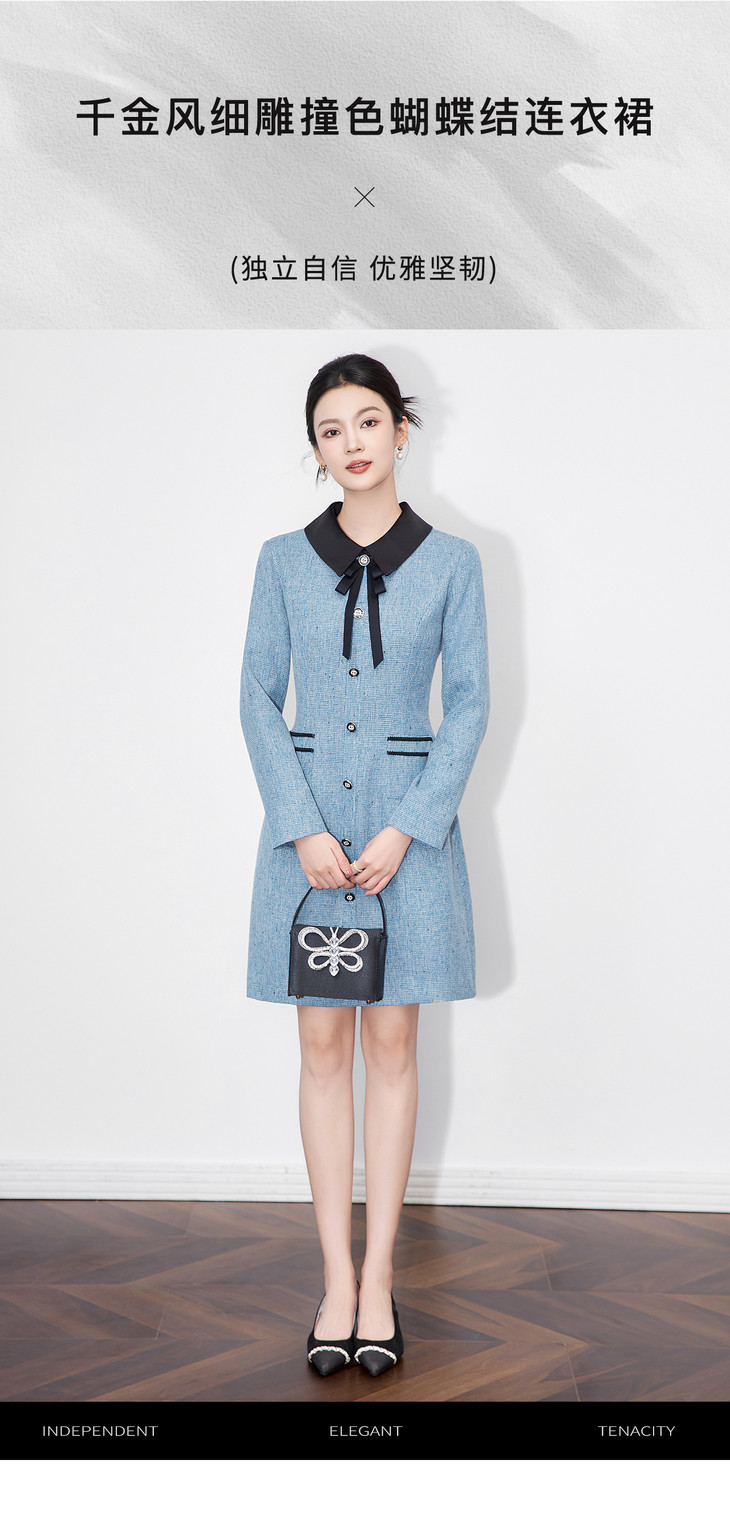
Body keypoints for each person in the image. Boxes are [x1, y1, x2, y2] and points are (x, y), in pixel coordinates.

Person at [239, 353, 490, 1376]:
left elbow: (469, 704)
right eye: (331, 428)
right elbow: (257, 696)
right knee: (319, 1047)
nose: (352, 441)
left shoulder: (454, 562)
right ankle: (333, 1278)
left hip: (404, 841)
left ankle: (378, 1276)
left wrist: (407, 827)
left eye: (369, 420)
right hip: (306, 841)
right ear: (316, 447)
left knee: (392, 1043)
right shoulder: (280, 561)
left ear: (401, 431)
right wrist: (300, 825)